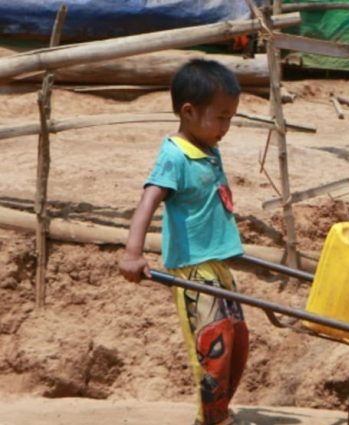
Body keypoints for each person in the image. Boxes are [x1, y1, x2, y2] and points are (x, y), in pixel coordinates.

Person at [118, 59, 248, 425]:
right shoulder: (174, 154)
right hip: (193, 268)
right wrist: (133, 253)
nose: (227, 127)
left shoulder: (208, 148)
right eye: (221, 117)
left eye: (231, 118)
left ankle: (216, 412)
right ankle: (210, 419)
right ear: (189, 112)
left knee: (237, 343)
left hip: (217, 264)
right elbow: (149, 200)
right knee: (213, 347)